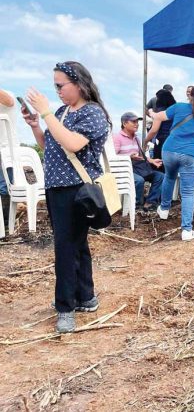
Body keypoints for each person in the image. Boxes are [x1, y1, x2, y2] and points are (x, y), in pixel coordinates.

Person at [22, 61, 110, 333]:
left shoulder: (93, 113)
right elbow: (50, 146)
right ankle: (86, 297)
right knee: (77, 244)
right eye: (55, 86)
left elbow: (73, 144)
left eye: (61, 85)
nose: (57, 90)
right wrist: (37, 125)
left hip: (76, 189)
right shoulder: (61, 112)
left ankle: (65, 307)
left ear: (80, 84)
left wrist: (45, 111)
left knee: (66, 247)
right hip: (57, 187)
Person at [151, 86, 194, 241]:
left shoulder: (179, 107)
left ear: (190, 97)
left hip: (170, 150)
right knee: (187, 192)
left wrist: (150, 113)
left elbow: (158, 116)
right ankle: (186, 230)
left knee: (169, 177)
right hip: (192, 154)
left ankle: (164, 209)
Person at [113, 112, 164, 211]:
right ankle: (135, 205)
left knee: (160, 176)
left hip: (137, 167)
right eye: (133, 121)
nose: (137, 124)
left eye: (137, 122)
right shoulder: (117, 137)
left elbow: (141, 156)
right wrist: (129, 157)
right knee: (139, 180)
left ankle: (150, 203)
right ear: (124, 123)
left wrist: (151, 160)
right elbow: (113, 157)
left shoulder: (136, 138)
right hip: (124, 169)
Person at [0, 88, 18, 231]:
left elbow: (10, 101)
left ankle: (5, 225)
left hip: (7, 152)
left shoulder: (7, 95)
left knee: (4, 188)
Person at [143, 89, 176, 161]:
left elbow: (154, 130)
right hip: (175, 141)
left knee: (159, 164)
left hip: (163, 141)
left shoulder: (161, 110)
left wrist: (145, 141)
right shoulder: (174, 110)